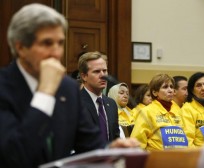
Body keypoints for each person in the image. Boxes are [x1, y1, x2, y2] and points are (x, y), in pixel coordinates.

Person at [0, 4, 139, 168]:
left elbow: (90, 145)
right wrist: (45, 93)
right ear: (21, 47)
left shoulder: (67, 88)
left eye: (60, 43)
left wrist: (110, 149)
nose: (56, 52)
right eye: (47, 43)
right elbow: (14, 156)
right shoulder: (4, 87)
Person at [130, 73, 188, 151]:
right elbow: (137, 142)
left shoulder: (178, 111)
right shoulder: (147, 112)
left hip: (179, 157)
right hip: (156, 159)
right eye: (165, 87)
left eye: (171, 87)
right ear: (155, 92)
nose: (170, 90)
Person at [78, 51, 120, 142]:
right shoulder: (76, 103)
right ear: (84, 76)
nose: (103, 76)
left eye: (104, 71)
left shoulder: (111, 104)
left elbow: (116, 138)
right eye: (97, 71)